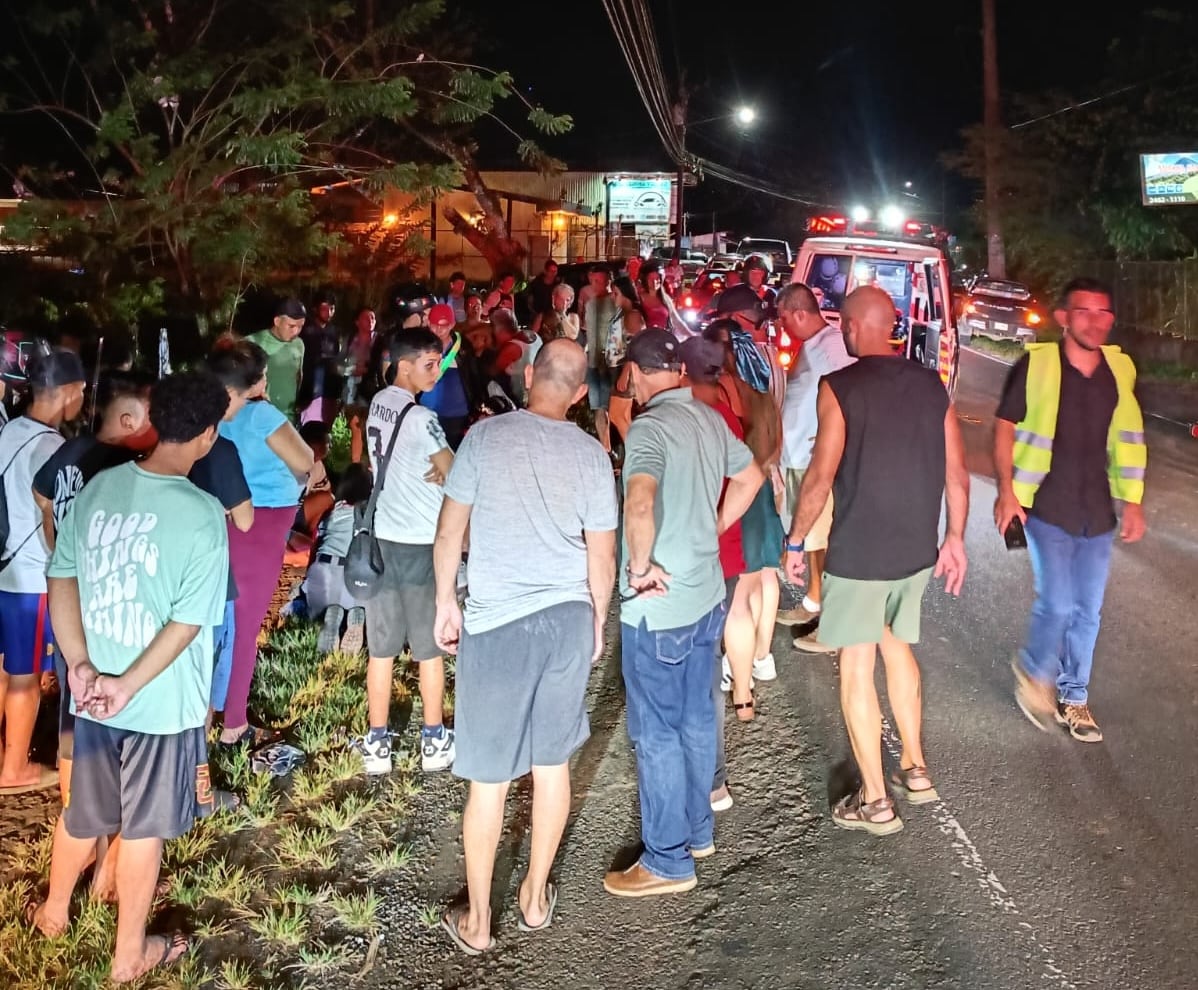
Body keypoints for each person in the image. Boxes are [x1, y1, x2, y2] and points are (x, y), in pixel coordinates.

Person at [30, 371, 229, 983]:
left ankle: (54, 913)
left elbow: (61, 576)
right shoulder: (203, 514)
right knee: (144, 829)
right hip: (159, 706)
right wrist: (130, 685)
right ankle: (129, 955)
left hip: (92, 695)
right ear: (208, 434)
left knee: (82, 812)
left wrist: (80, 664)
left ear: (154, 421)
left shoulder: (101, 487)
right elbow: (187, 623)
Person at [432, 339, 617, 954]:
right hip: (566, 620)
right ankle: (535, 898)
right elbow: (602, 556)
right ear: (582, 393)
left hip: (498, 625)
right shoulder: (592, 455)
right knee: (552, 765)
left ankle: (479, 921)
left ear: (530, 374)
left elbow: (449, 531)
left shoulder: (484, 439)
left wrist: (445, 601)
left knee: (489, 782)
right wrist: (596, 622)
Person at [784, 286, 969, 835]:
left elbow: (820, 476)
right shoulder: (931, 384)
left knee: (857, 666)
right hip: (915, 549)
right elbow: (957, 474)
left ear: (852, 327)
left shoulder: (839, 387)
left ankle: (875, 800)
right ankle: (915, 768)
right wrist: (955, 538)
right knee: (897, 647)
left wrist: (796, 541)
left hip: (861, 549)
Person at [604, 330, 762, 897]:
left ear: (635, 373)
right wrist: (715, 526)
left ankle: (667, 860)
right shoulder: (708, 419)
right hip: (705, 595)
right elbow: (751, 477)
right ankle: (697, 831)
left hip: (660, 607)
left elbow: (639, 500)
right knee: (697, 717)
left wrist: (639, 567)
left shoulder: (649, 428)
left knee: (657, 732)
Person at [995, 277, 1147, 743]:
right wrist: (1006, 491)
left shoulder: (1119, 370)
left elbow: (1128, 437)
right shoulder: (1037, 364)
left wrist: (1132, 501)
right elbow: (1004, 426)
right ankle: (1033, 669)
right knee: (1058, 602)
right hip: (1046, 506)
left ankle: (1074, 697)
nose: (1095, 321)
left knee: (1088, 612)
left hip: (1097, 511)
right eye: (1084, 311)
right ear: (1063, 317)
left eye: (1104, 313)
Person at [32, 373, 155, 807]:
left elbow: (42, 494)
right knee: (99, 701)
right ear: (128, 419)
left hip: (66, 596)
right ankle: (96, 805)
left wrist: (55, 542)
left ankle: (73, 804)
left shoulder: (72, 449)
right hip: (100, 603)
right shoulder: (119, 466)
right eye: (152, 417)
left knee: (73, 700)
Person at [356, 329, 455, 776]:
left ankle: (377, 742)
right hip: (419, 540)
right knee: (428, 648)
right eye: (430, 365)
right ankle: (433, 738)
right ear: (404, 365)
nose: (436, 372)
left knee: (381, 649)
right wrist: (443, 467)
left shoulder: (379, 403)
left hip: (382, 537)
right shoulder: (420, 417)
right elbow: (454, 472)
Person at [208, 340, 313, 747]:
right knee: (245, 623)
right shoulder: (261, 414)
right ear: (253, 382)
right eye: (264, 375)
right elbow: (305, 461)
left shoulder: (212, 414)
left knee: (221, 619)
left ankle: (211, 712)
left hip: (225, 516)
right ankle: (234, 723)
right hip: (261, 522)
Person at [0, 348, 86, 795]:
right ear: (68, 391)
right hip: (32, 578)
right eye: (82, 391)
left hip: (4, 568)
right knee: (25, 678)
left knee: (5, 669)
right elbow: (60, 522)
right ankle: (13, 770)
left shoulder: (10, 429)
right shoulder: (53, 448)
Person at [774, 283, 855, 648]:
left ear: (800, 313)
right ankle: (814, 601)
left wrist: (828, 442)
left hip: (813, 462)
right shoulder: (813, 345)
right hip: (797, 457)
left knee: (823, 540)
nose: (781, 325)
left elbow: (851, 397)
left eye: (784, 318)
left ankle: (835, 623)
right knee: (812, 539)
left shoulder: (832, 347)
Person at [303, 462, 371, 656]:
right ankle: (354, 615)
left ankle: (330, 619)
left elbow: (316, 544)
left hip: (323, 570)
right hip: (355, 576)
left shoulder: (333, 511)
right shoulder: (371, 513)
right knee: (363, 602)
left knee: (316, 616)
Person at [420, 303, 484, 451]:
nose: (438, 330)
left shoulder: (462, 347)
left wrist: (477, 406)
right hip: (426, 411)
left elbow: (474, 376)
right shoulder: (421, 345)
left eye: (444, 325)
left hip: (456, 414)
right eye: (434, 325)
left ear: (452, 325)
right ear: (428, 323)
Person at [246, 297, 306, 420]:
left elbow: (298, 376)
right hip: (260, 416)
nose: (296, 331)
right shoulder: (252, 343)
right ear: (277, 321)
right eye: (291, 326)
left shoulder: (298, 344)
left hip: (288, 417)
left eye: (300, 326)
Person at [297, 293, 341, 427]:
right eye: (324, 308)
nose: (329, 312)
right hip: (309, 386)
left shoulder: (334, 331)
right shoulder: (304, 330)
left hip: (329, 386)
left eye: (332, 308)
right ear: (315, 309)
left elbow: (336, 356)